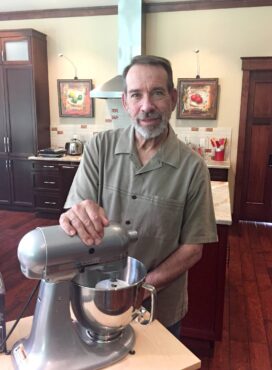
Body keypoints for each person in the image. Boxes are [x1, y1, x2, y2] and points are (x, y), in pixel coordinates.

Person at [59, 55, 218, 338]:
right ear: (125, 102)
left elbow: (193, 248)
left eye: (157, 93)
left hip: (159, 309)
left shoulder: (193, 169)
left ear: (172, 98)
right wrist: (74, 216)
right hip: (95, 300)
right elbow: (76, 210)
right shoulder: (99, 148)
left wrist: (142, 288)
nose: (147, 106)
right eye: (136, 95)